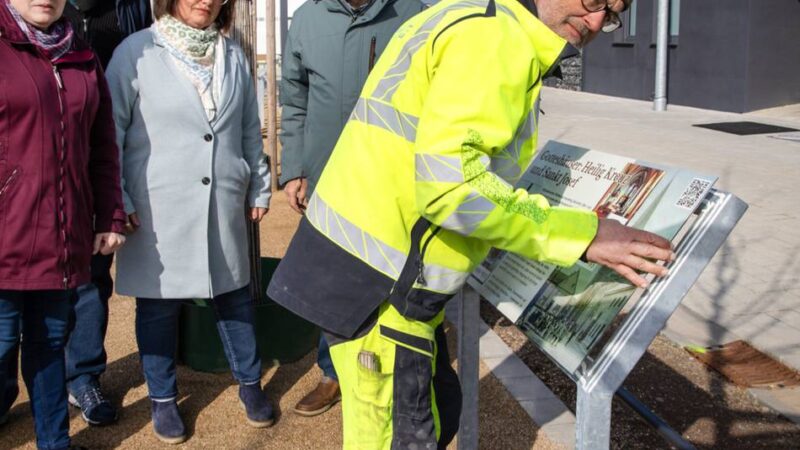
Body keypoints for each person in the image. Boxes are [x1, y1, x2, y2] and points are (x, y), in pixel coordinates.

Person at [267, 0, 671, 448]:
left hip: (366, 266)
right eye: (594, 1)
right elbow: (453, 189)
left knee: (437, 414)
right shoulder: (495, 39)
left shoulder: (468, 14)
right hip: (384, 288)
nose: (596, 22)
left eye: (611, 14)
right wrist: (584, 233)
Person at [106, 0, 273, 444]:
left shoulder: (233, 54)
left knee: (234, 297)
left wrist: (258, 184)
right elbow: (110, 133)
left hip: (221, 200)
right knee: (158, 306)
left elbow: (247, 128)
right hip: (157, 207)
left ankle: (251, 386)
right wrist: (117, 198)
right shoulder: (135, 52)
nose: (204, 0)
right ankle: (162, 398)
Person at [279, 0, 425, 418]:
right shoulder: (307, 18)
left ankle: (399, 373)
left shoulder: (412, 11)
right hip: (327, 178)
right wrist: (293, 170)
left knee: (397, 280)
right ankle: (333, 374)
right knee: (328, 281)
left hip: (392, 180)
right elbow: (294, 98)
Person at [0, 0, 127, 447]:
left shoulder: (82, 55)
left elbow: (103, 147)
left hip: (61, 238)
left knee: (50, 348)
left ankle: (55, 442)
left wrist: (110, 213)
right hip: (4, 240)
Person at [60, 0, 152, 427]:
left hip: (98, 154)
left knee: (93, 280)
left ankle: (83, 376)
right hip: (29, 160)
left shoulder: (132, 6)